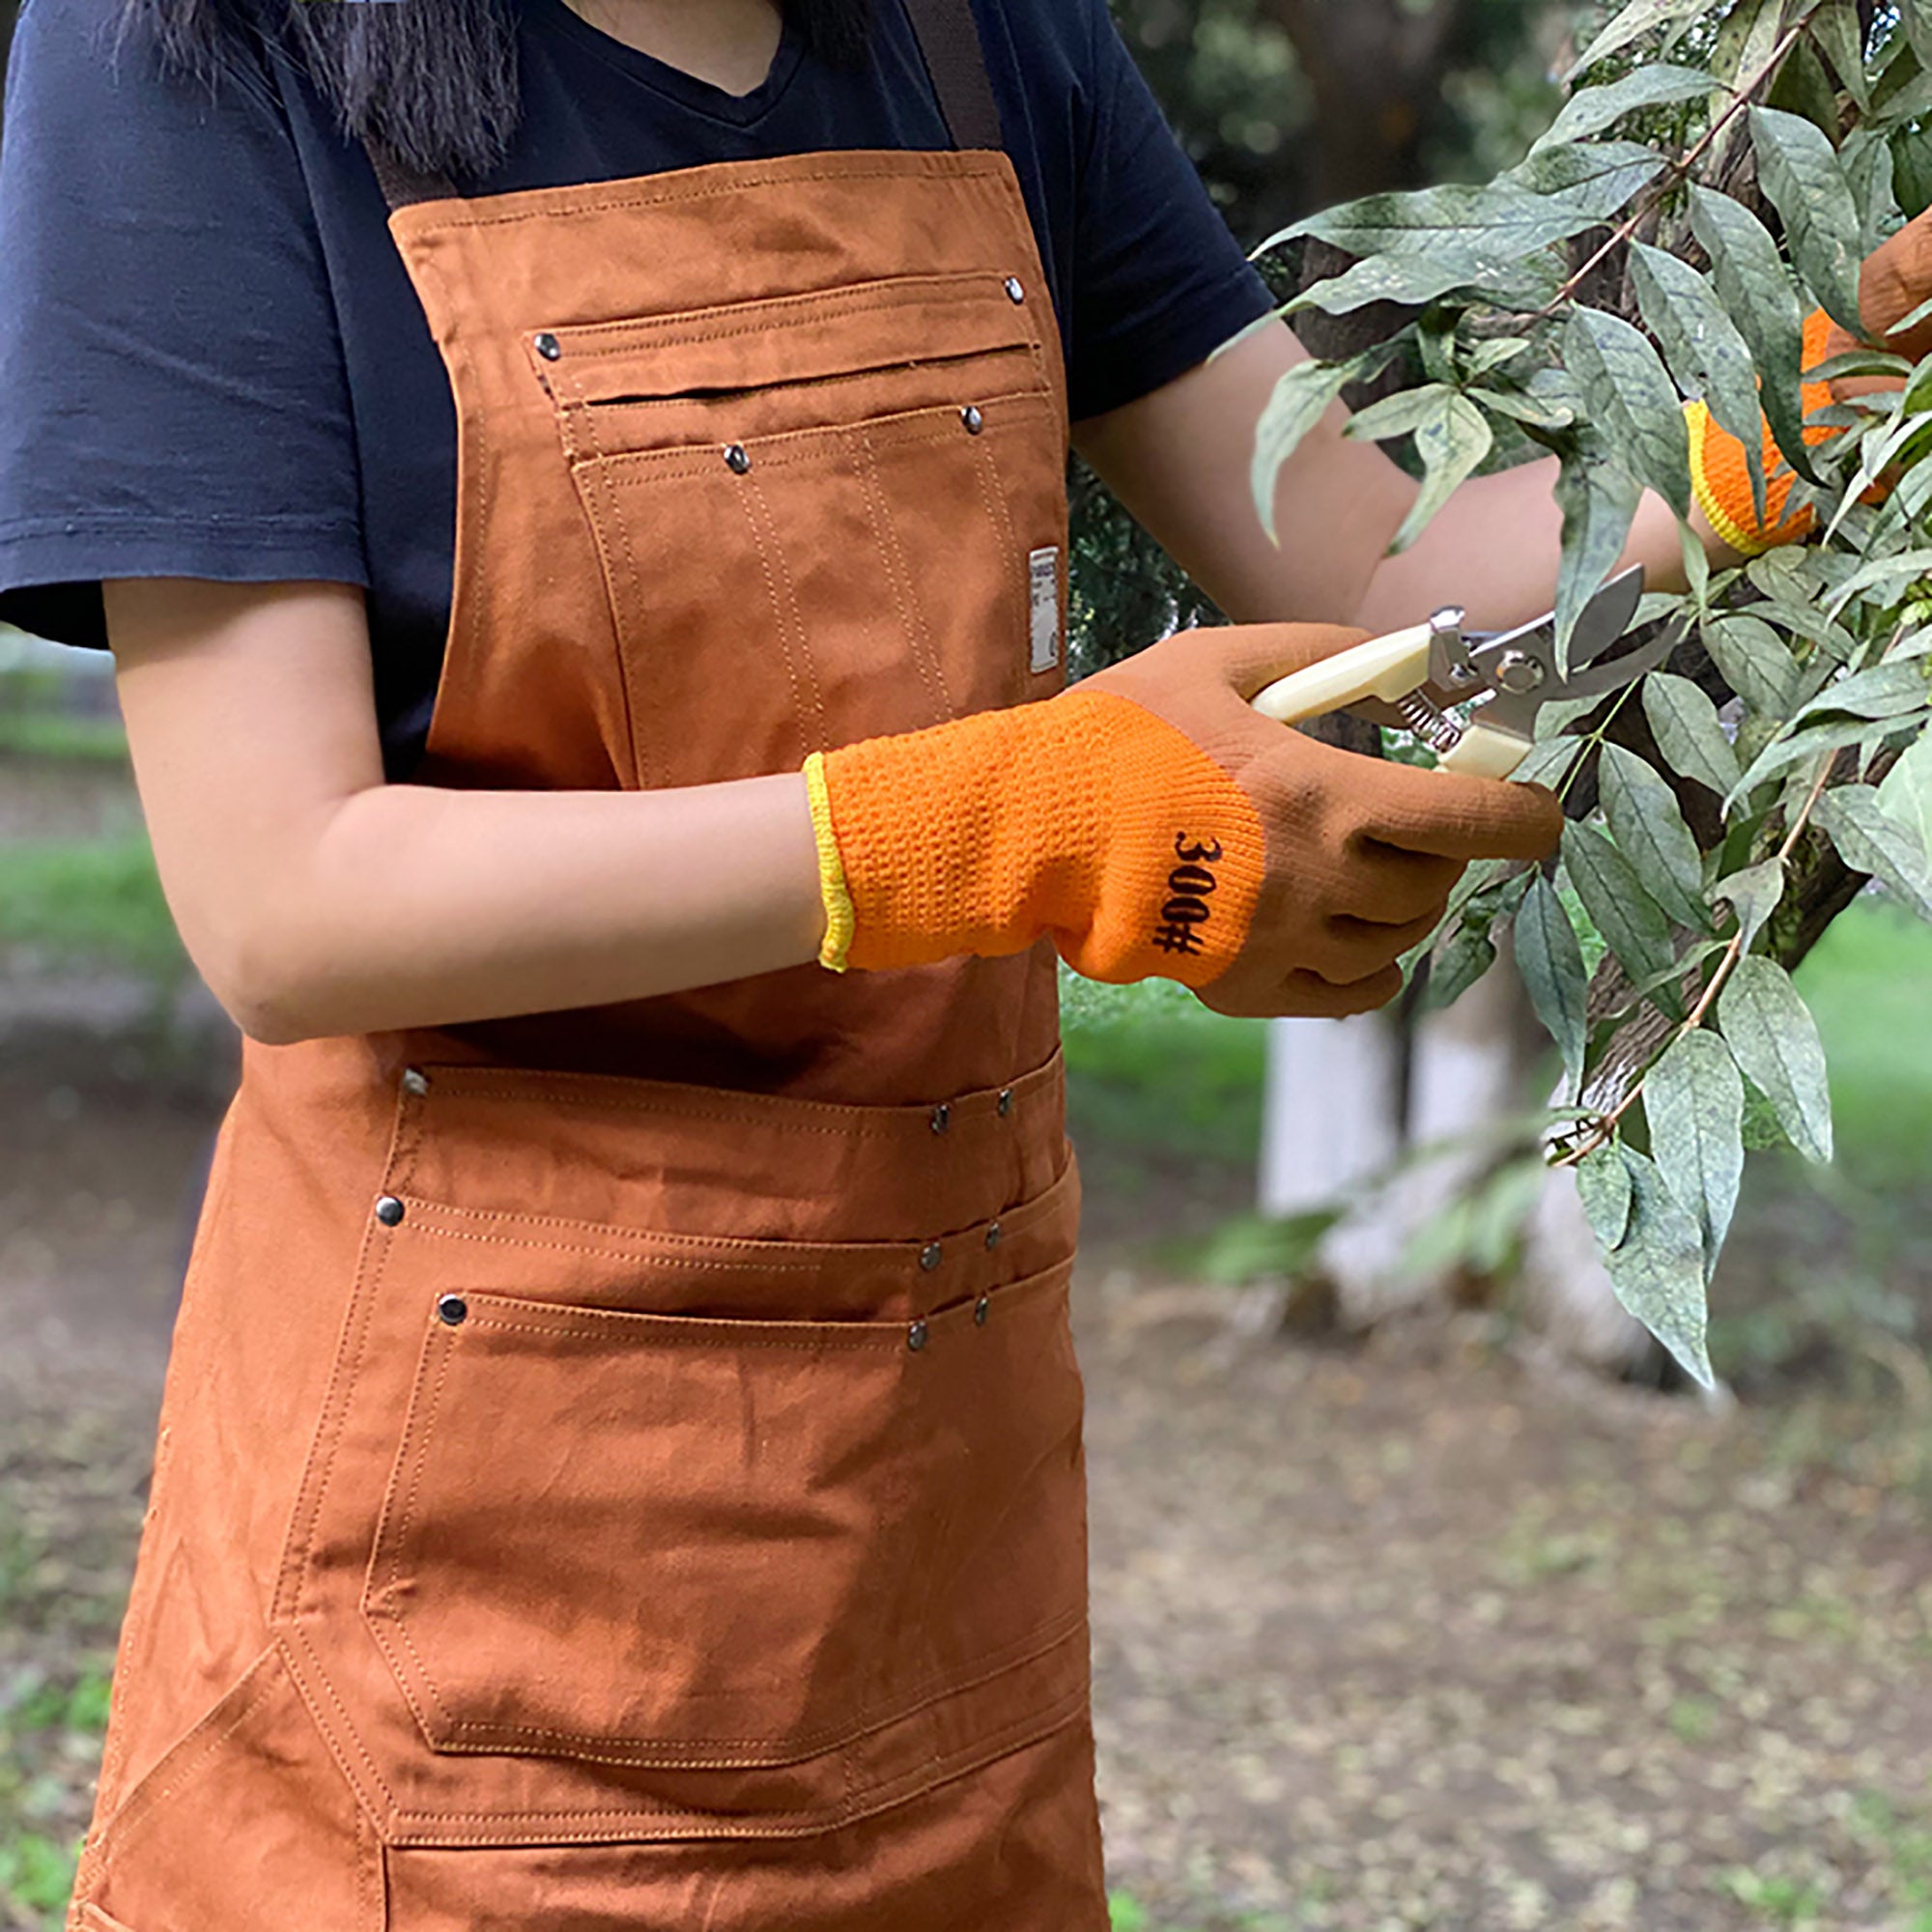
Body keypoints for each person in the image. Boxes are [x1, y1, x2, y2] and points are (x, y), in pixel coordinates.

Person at [0, 0, 1926, 1922]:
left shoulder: (981, 43)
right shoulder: (185, 60)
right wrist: (995, 819)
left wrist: (1811, 427)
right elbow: (283, 897)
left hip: (933, 1562)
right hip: (455, 1602)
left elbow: (1359, 568)